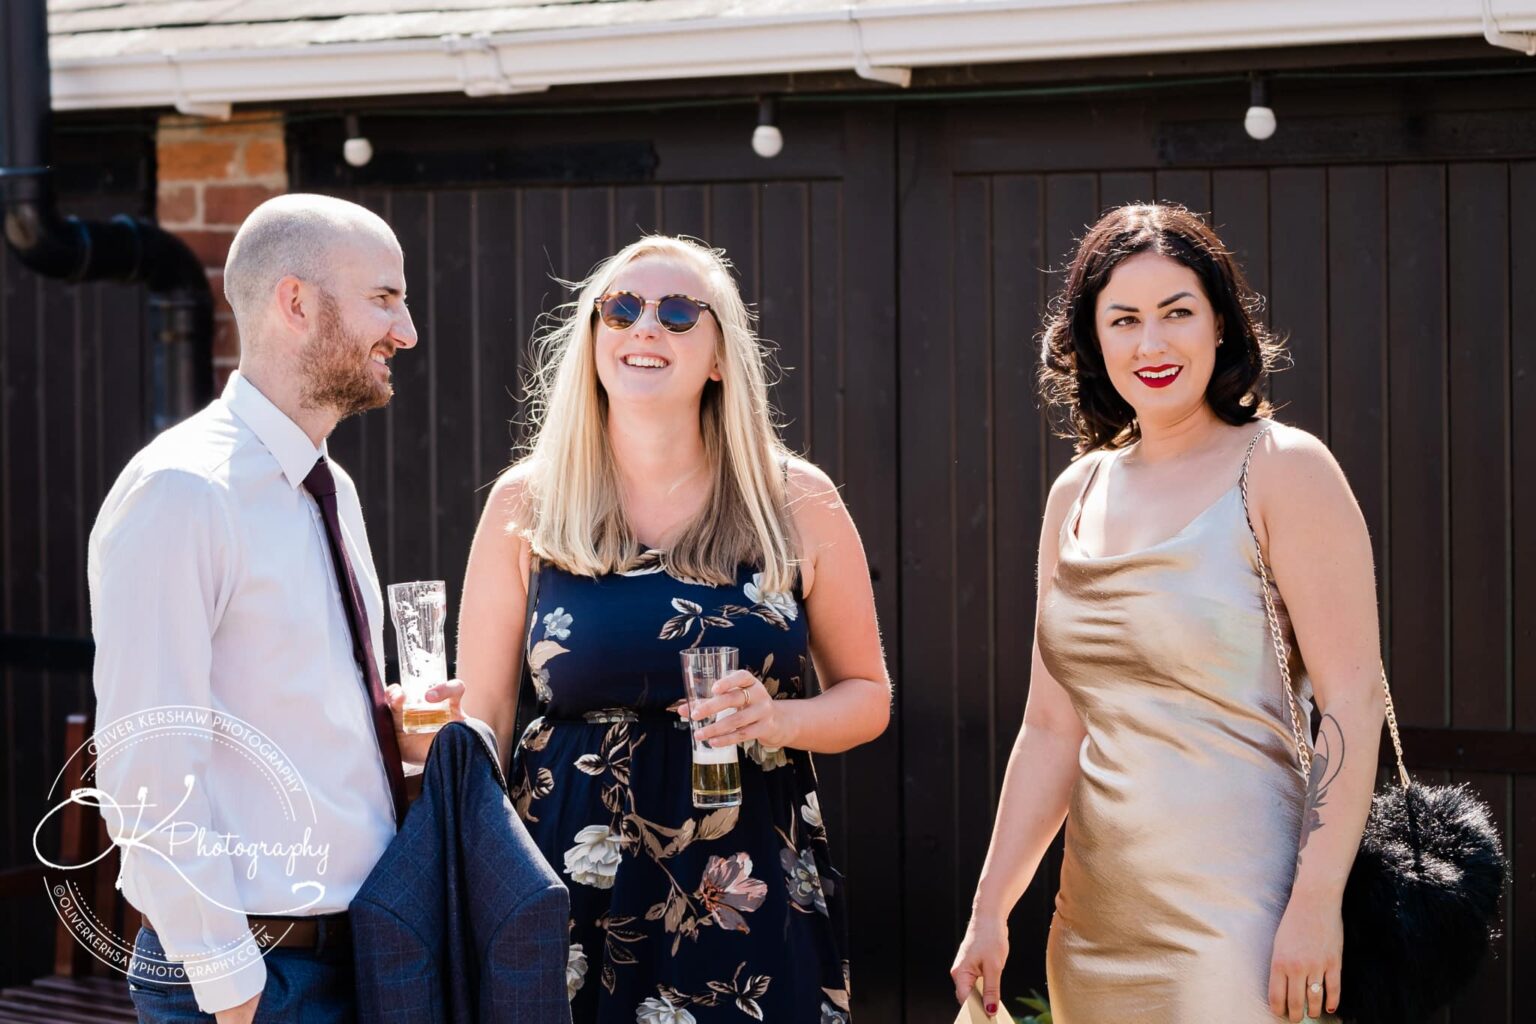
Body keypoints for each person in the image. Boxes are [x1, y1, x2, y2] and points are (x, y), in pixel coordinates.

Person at [949, 203, 1385, 1024]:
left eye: (1176, 312)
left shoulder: (1283, 468)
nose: (1152, 344)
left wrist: (1317, 901)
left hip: (1246, 921)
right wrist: (989, 908)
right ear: (1092, 341)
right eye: (1124, 320)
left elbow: (1353, 698)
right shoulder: (1075, 494)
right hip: (1093, 923)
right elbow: (1050, 728)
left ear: (1220, 323)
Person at [456, 235, 889, 1022]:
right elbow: (478, 725)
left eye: (679, 312)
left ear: (721, 356)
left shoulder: (796, 500)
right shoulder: (527, 504)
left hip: (745, 883)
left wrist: (779, 716)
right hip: (567, 879)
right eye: (620, 309)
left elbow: (868, 697)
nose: (645, 327)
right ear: (592, 343)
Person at [88, 194, 461, 1023]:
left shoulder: (333, 488)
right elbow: (144, 769)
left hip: (365, 959)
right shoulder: (182, 492)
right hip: (261, 983)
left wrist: (390, 732)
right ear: (296, 301)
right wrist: (232, 990)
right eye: (385, 298)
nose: (406, 331)